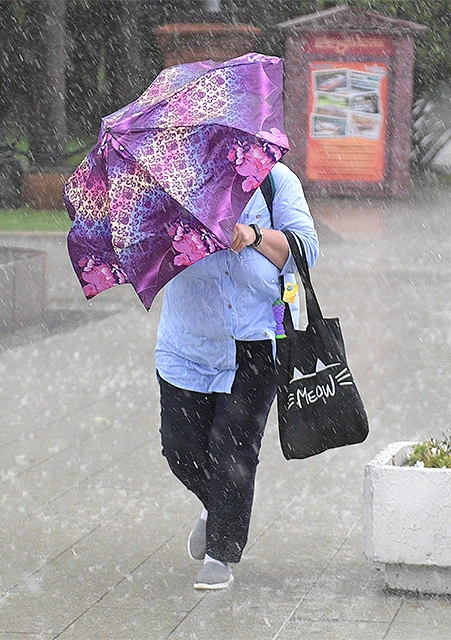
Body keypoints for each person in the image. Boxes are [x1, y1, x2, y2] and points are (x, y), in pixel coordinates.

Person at [154, 160, 318, 590]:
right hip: (188, 342)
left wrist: (253, 235)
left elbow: (306, 250)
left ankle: (220, 552)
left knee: (234, 450)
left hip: (258, 339)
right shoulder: (174, 181)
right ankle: (216, 507)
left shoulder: (275, 182)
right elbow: (150, 253)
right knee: (179, 447)